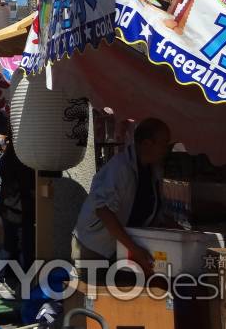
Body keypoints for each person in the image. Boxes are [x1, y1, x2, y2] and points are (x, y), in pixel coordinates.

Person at [72, 118, 171, 277]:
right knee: (96, 299)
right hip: (95, 247)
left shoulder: (153, 172)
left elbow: (153, 212)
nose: (167, 149)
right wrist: (134, 248)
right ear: (147, 144)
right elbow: (103, 211)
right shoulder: (120, 168)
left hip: (123, 248)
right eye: (165, 143)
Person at [0, 138, 34, 300]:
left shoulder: (6, 159)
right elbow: (27, 185)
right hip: (20, 209)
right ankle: (25, 284)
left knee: (9, 245)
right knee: (24, 247)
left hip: (9, 207)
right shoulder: (23, 161)